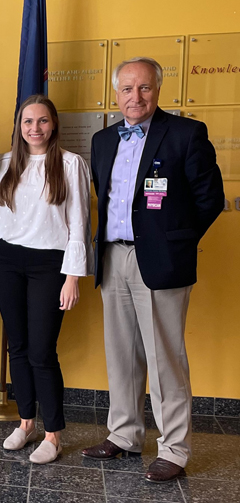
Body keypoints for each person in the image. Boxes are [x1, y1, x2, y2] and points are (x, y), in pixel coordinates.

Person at [83, 57, 224, 482]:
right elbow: (103, 198)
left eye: (144, 88)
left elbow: (209, 199)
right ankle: (124, 434)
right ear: (116, 94)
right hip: (113, 257)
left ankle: (175, 450)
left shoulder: (185, 134)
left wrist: (175, 241)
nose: (135, 97)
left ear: (158, 90)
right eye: (127, 89)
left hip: (162, 262)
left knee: (165, 359)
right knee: (121, 355)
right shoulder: (103, 140)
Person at [0, 95, 92, 464]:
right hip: (7, 260)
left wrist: (73, 276)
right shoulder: (5, 163)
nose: (35, 128)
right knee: (18, 348)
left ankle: (54, 434)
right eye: (28, 122)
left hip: (50, 264)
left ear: (53, 124)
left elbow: (79, 223)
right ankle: (26, 422)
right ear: (19, 126)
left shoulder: (71, 164)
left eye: (42, 121)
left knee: (42, 352)